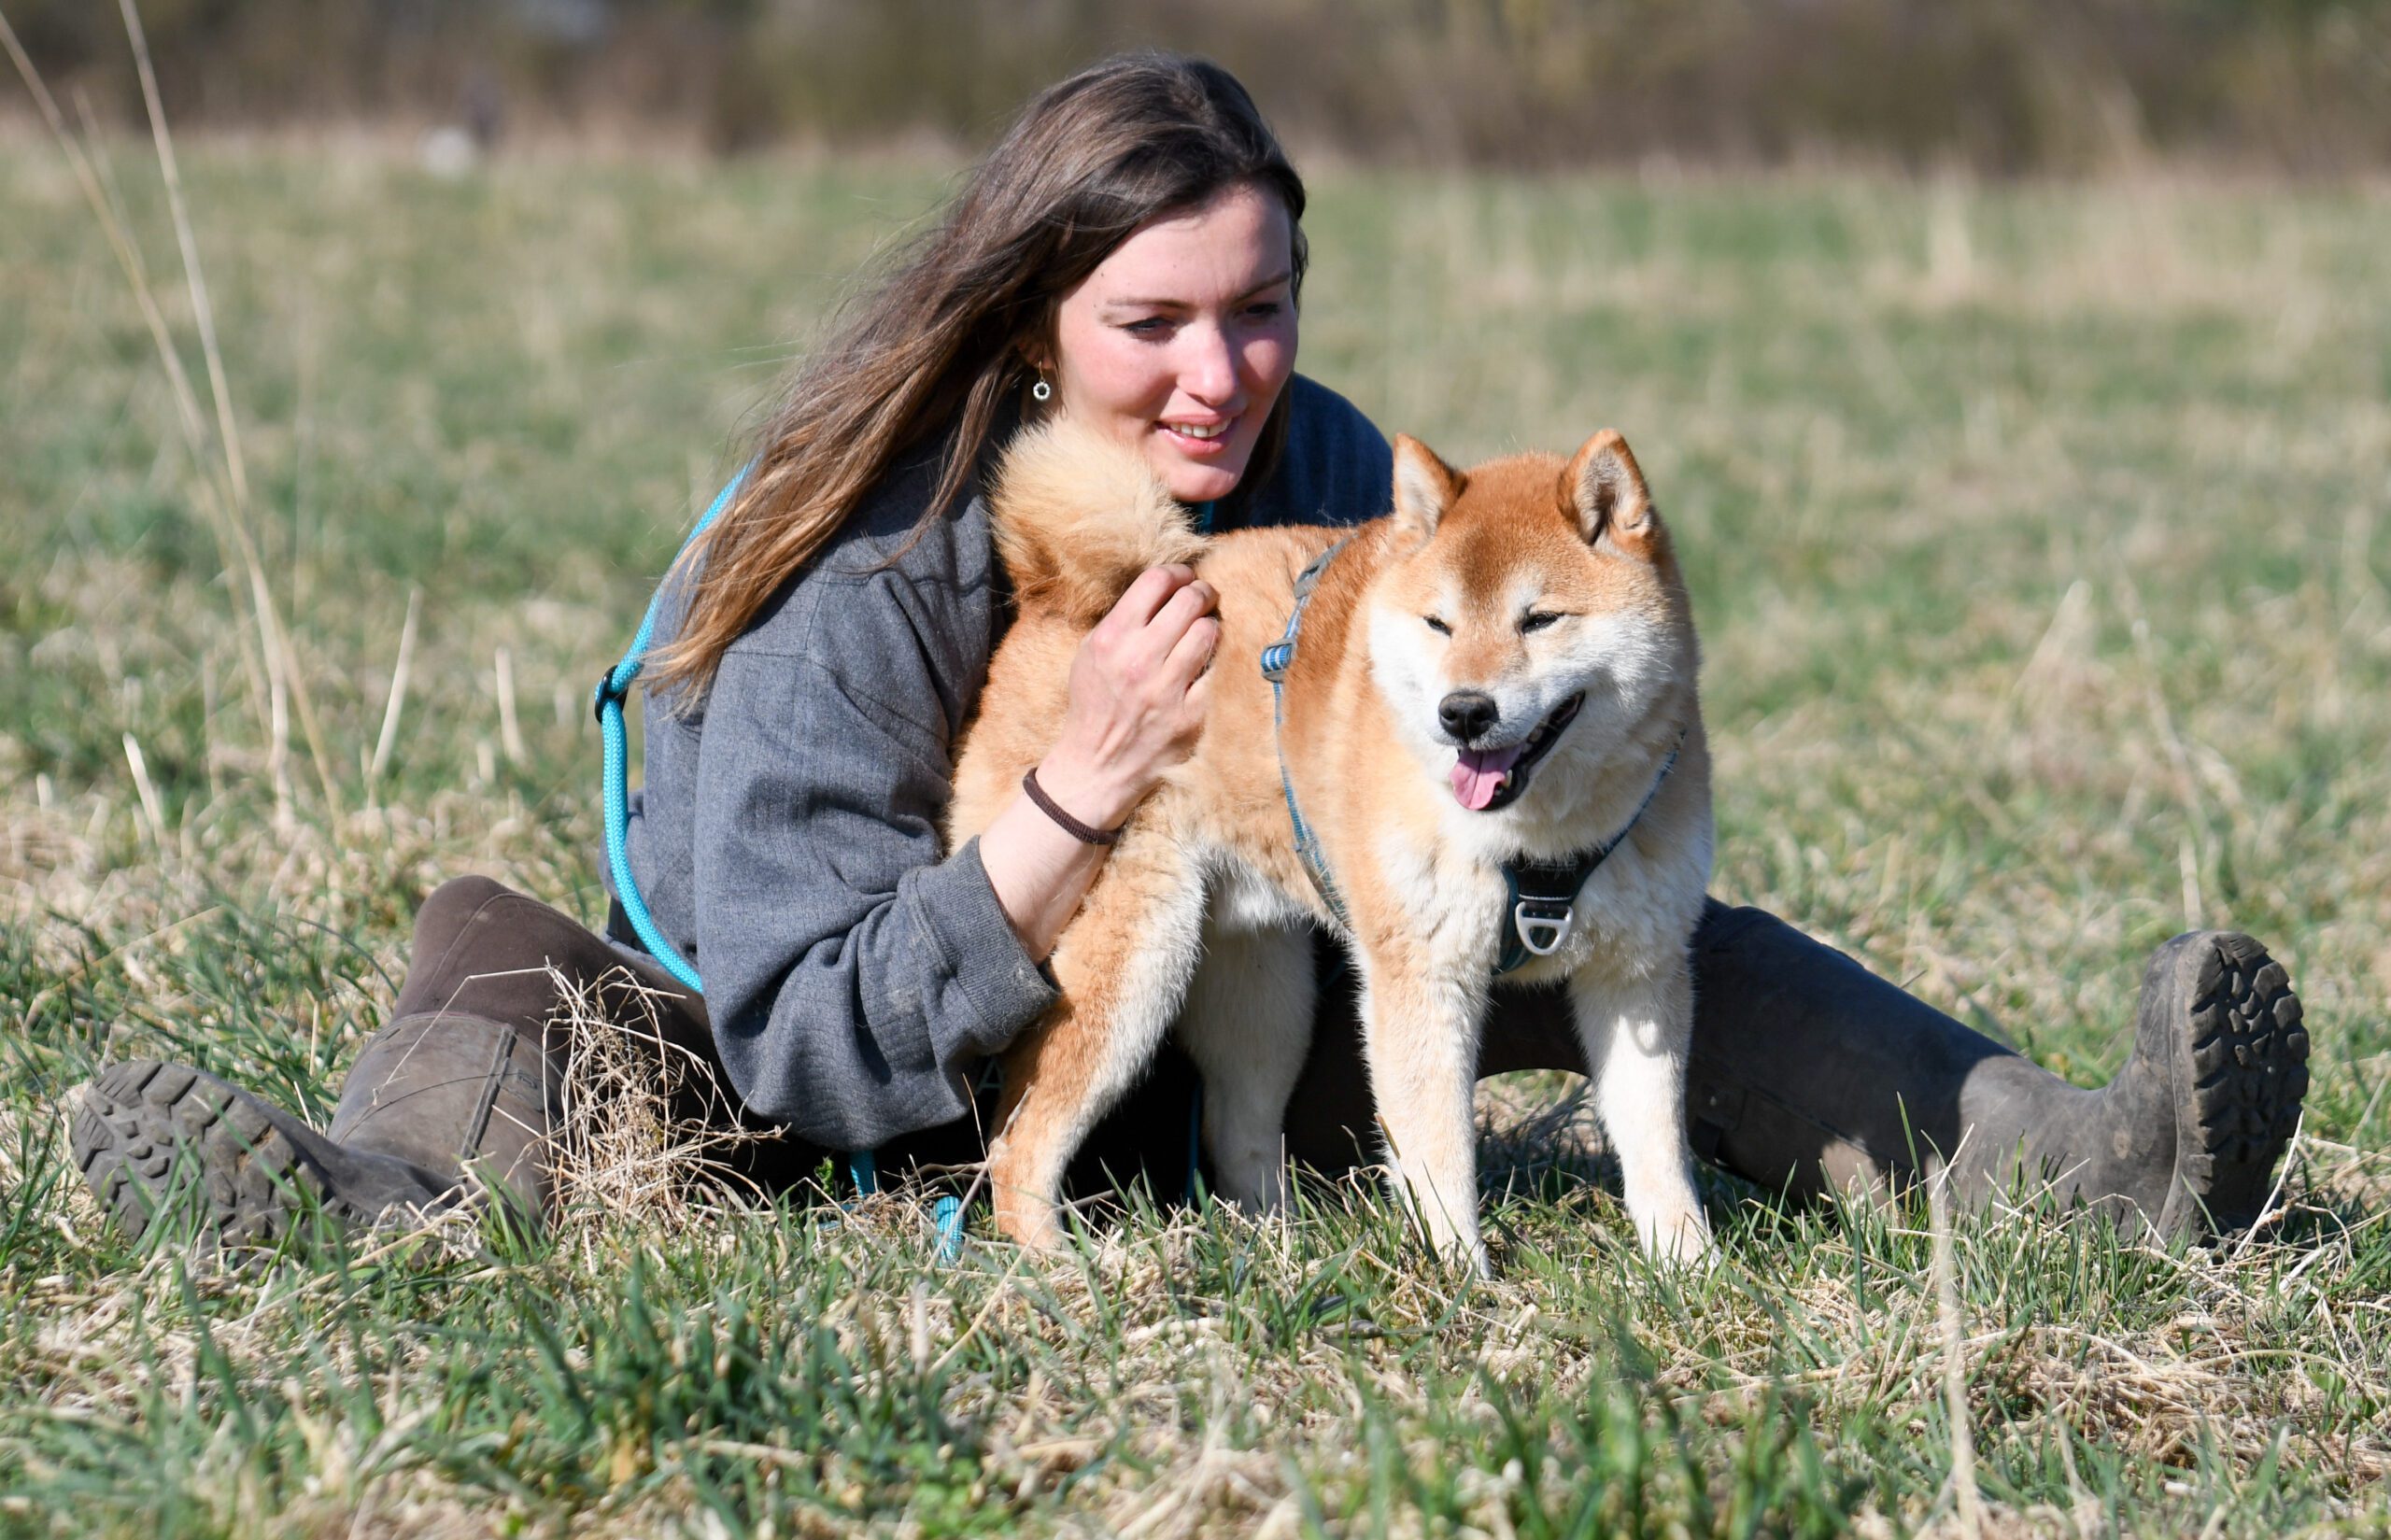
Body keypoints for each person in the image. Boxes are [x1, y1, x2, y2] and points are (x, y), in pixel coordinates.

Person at [73, 51, 2308, 1254]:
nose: (1220, 376)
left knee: (1648, 933)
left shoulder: (1330, 471)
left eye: (1261, 309)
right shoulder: (866, 548)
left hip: (1211, 1026)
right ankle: (352, 1203)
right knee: (506, 974)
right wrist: (1072, 790)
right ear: (1030, 320)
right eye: (1150, 322)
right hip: (806, 1063)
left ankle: (2075, 1162)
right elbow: (800, 1029)